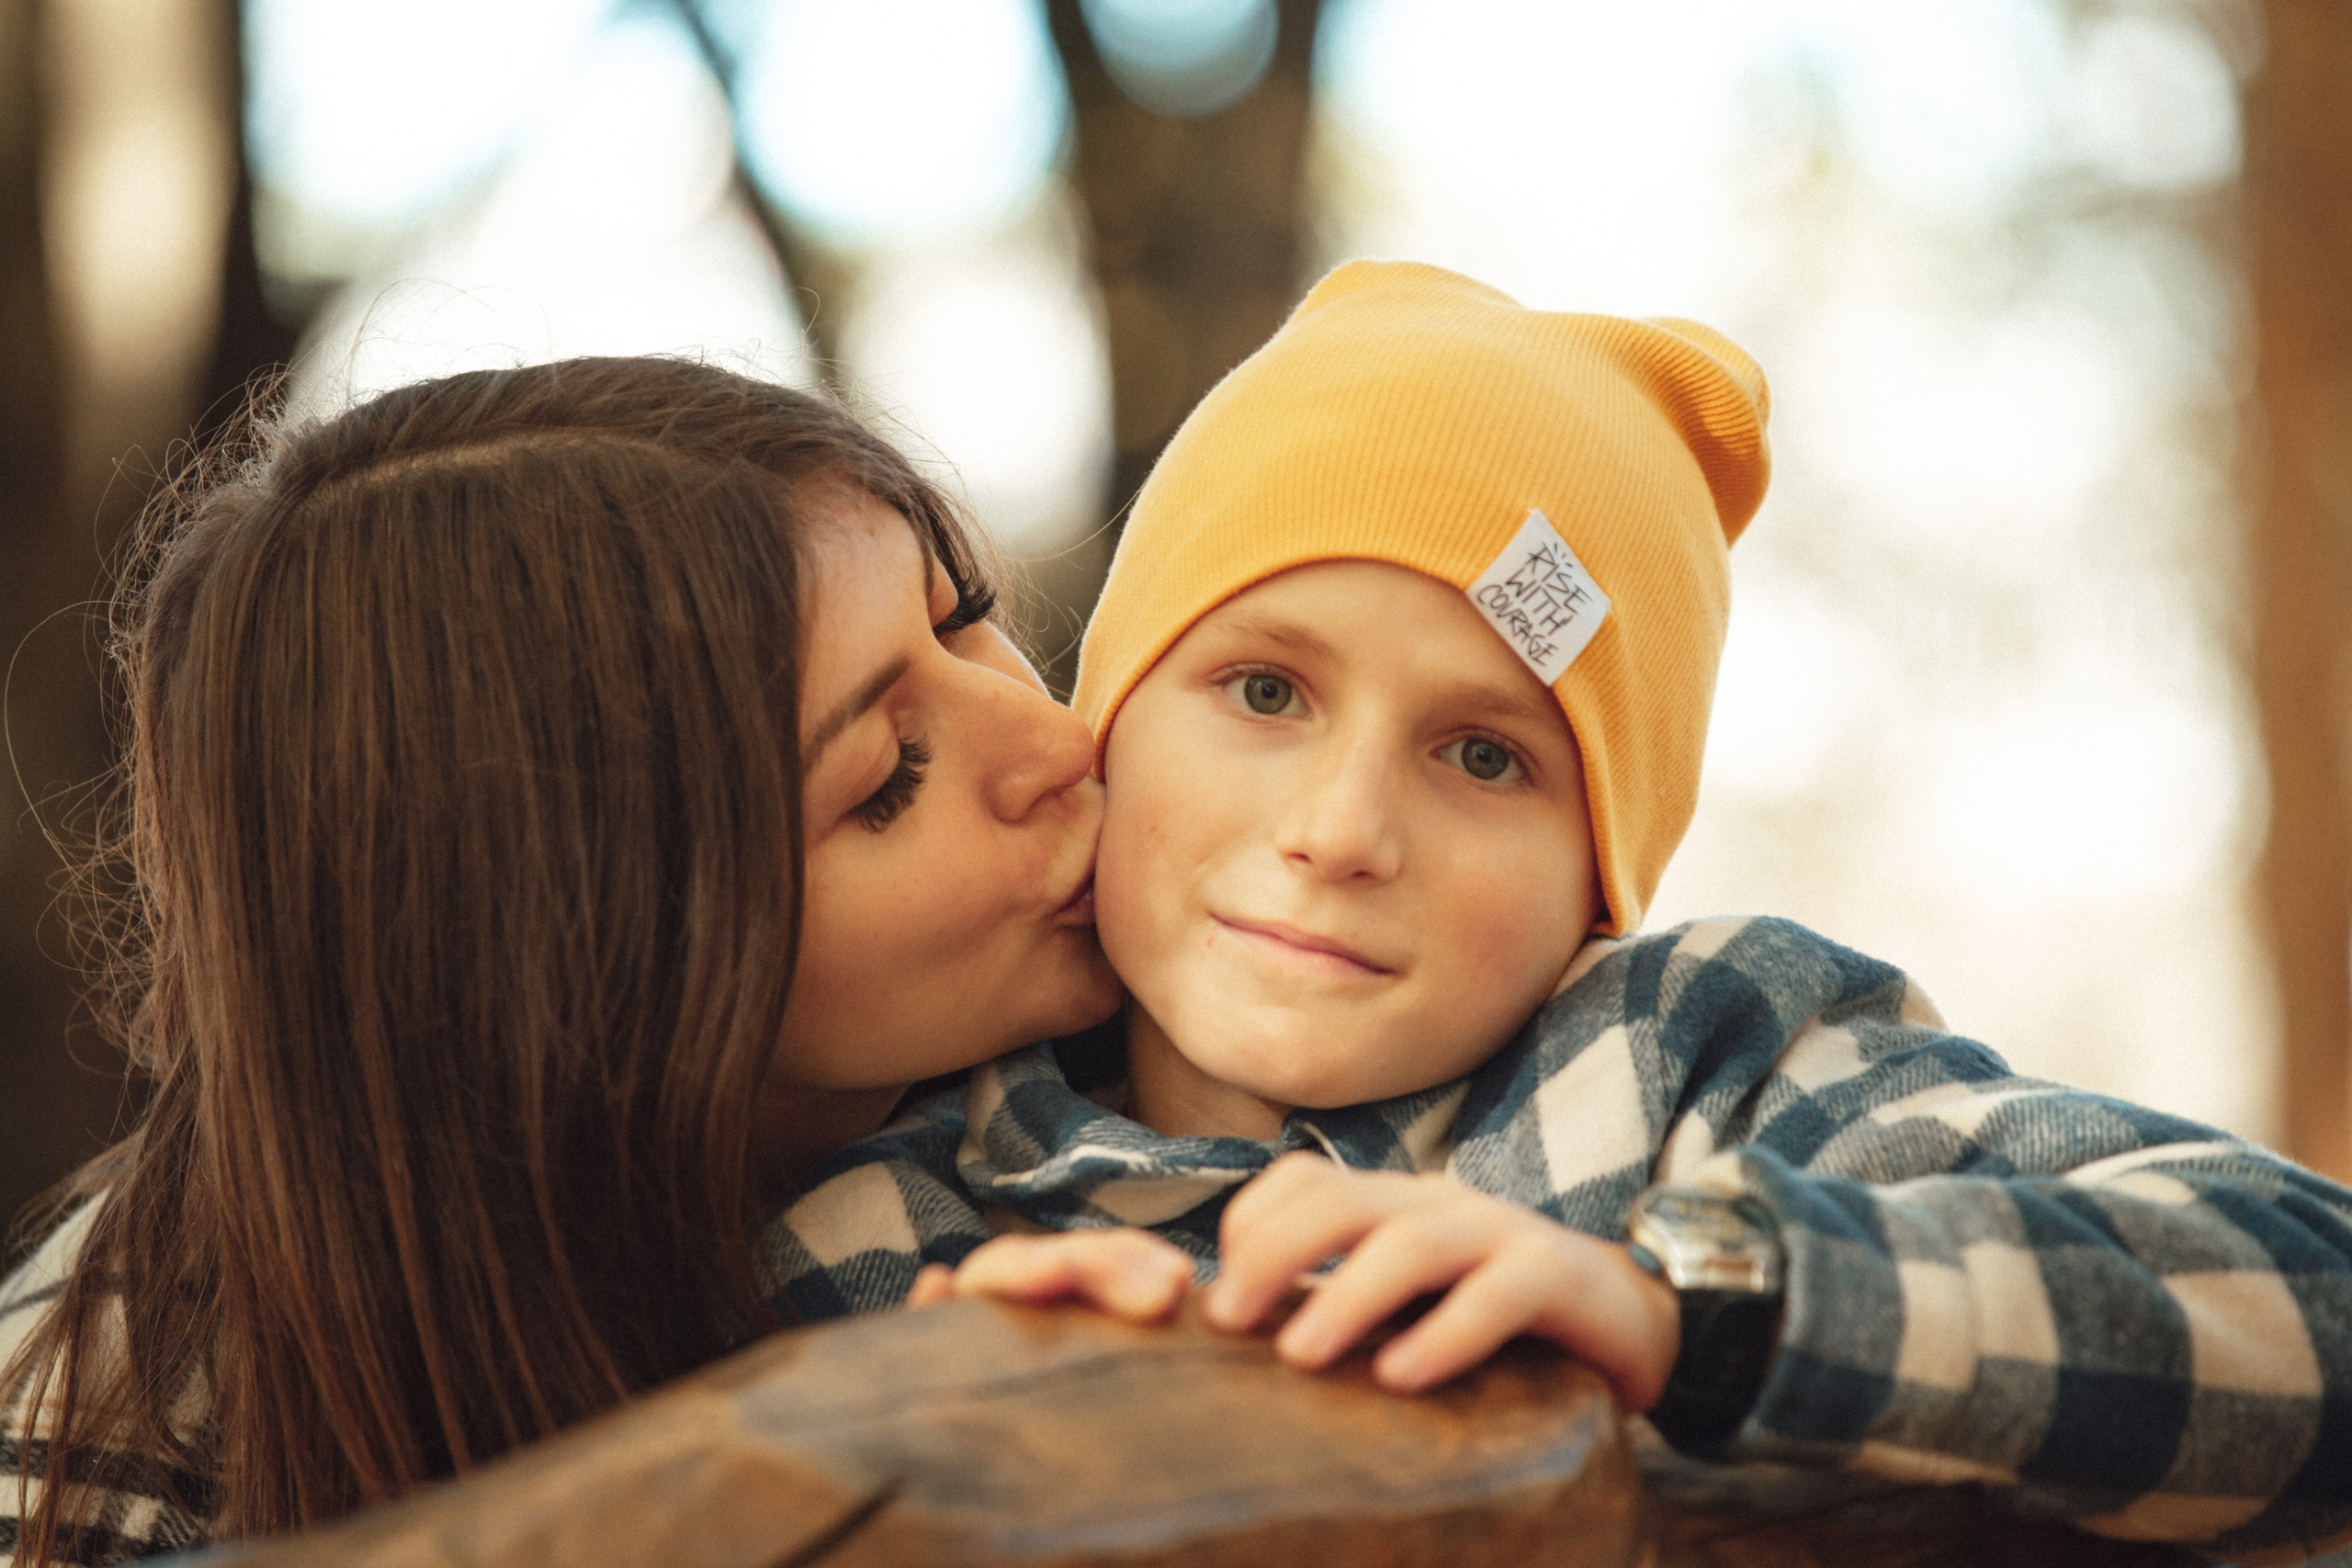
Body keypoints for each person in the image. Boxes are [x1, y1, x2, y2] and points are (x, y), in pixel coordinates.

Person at [765, 261, 2352, 1561]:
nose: (1341, 831)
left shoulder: (1700, 1060)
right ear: (1110, 719)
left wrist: (1700, 1304)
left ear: (1597, 872)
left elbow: (2317, 1299)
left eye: (1483, 755)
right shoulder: (892, 1227)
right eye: (1264, 690)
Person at [0, 356, 1123, 1565]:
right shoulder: (120, 1420)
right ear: (590, 960)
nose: (1056, 739)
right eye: (887, 780)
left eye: (967, 615)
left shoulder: (1230, 1009)